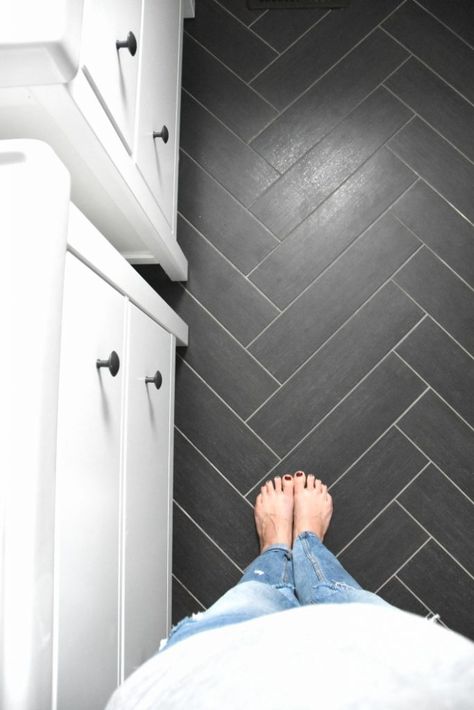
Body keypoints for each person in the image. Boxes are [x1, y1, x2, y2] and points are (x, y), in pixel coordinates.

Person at [107, 472, 474, 709]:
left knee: (251, 607)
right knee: (347, 608)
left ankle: (278, 550)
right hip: (403, 678)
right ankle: (306, 544)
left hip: (205, 677)